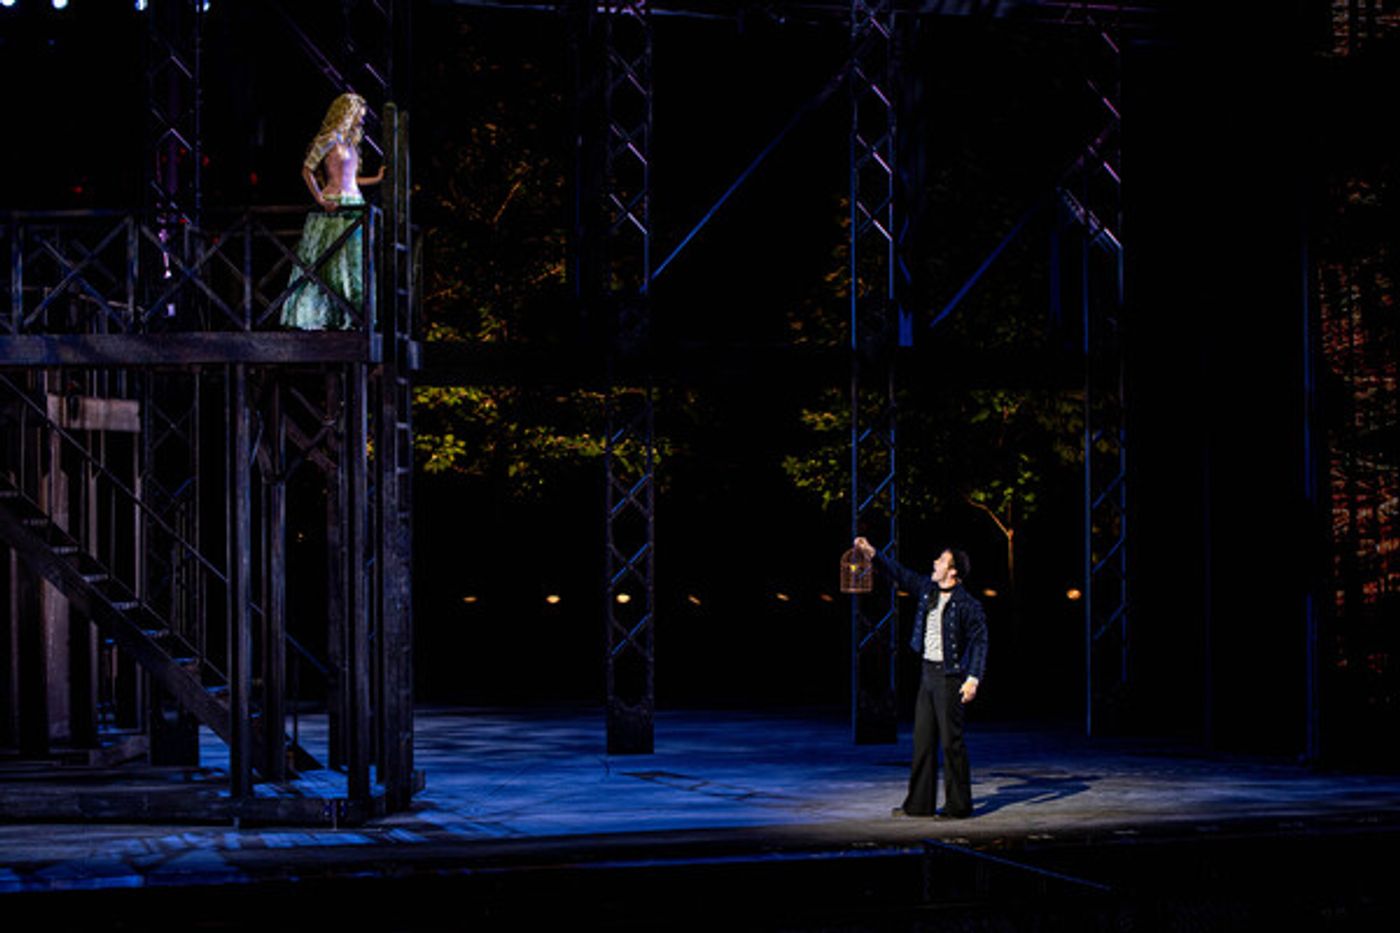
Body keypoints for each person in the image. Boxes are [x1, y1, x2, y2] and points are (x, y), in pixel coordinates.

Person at [853, 535, 988, 819]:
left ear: (953, 571)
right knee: (923, 740)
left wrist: (973, 678)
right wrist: (873, 553)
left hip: (950, 677)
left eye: (941, 560)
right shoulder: (928, 590)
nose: (935, 563)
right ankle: (919, 805)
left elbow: (979, 641)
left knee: (951, 743)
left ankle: (958, 806)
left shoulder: (967, 604)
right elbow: (901, 574)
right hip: (927, 673)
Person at [281, 92, 385, 330]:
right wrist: (319, 197)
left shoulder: (350, 143)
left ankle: (352, 317)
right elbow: (307, 169)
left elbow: (352, 180)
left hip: (354, 204)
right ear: (347, 113)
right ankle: (322, 317)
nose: (361, 120)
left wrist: (377, 179)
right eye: (359, 115)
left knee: (352, 263)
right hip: (334, 204)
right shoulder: (329, 139)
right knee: (328, 261)